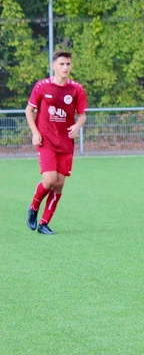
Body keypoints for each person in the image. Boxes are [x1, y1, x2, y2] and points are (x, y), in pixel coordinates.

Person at [25, 50, 88, 235]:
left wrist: (77, 126)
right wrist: (35, 133)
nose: (65, 67)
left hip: (65, 143)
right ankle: (33, 207)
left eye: (68, 64)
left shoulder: (76, 89)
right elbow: (28, 111)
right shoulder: (42, 86)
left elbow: (82, 115)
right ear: (53, 66)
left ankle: (44, 223)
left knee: (59, 184)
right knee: (50, 180)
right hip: (46, 140)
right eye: (61, 64)